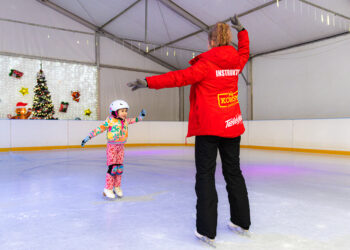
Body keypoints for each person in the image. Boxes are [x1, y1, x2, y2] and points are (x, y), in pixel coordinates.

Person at [127, 15, 250, 244]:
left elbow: (178, 78)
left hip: (209, 128)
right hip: (232, 125)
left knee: (205, 176)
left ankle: (206, 230)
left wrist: (148, 82)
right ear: (228, 39)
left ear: (211, 42)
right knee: (234, 172)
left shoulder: (205, 64)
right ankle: (241, 221)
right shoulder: (236, 61)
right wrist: (242, 31)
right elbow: (244, 50)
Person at [81, 100, 146, 199]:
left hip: (121, 147)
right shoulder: (110, 121)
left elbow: (134, 120)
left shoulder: (125, 121)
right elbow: (99, 129)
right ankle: (108, 189)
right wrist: (88, 137)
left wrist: (141, 116)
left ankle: (117, 187)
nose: (125, 113)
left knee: (119, 168)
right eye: (122, 111)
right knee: (113, 168)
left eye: (126, 111)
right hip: (112, 147)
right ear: (115, 111)